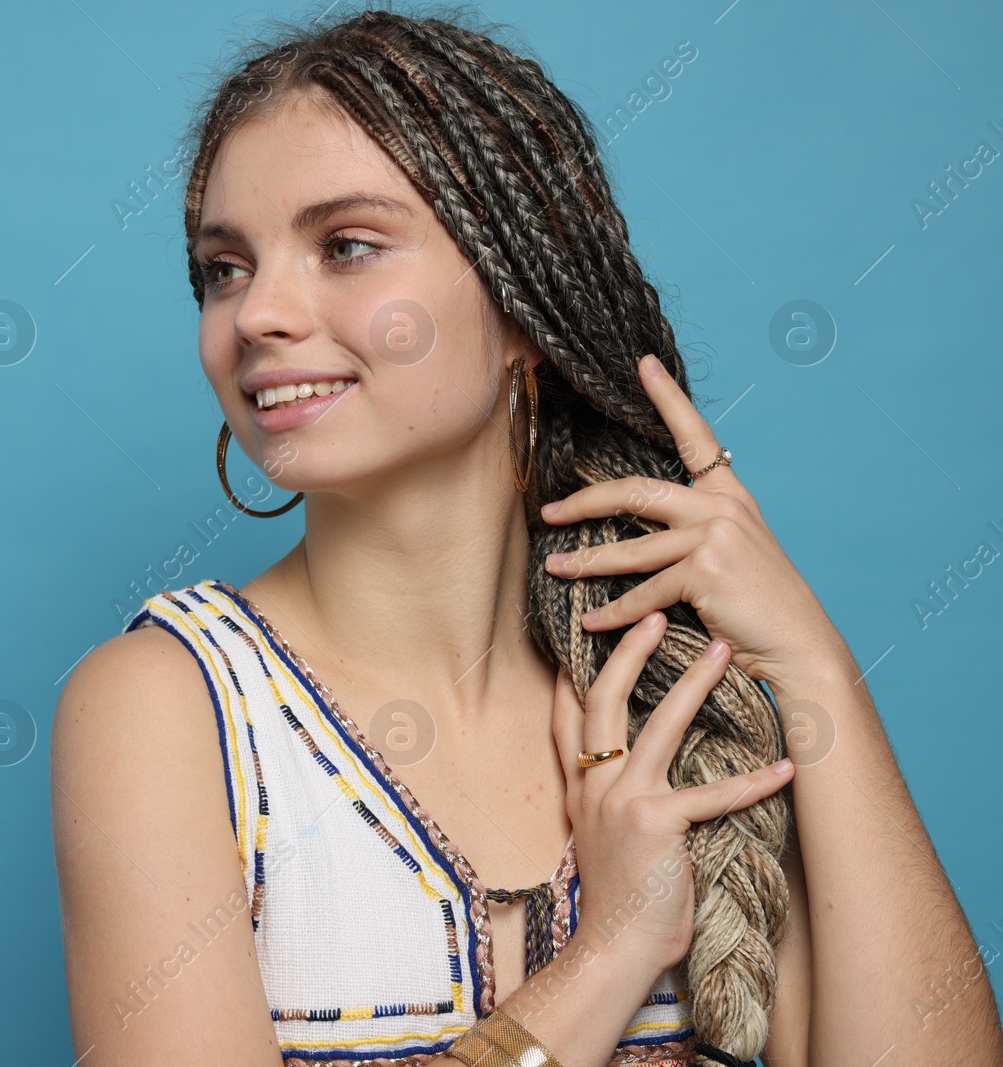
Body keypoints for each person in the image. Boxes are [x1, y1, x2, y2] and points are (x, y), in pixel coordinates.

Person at [49, 6, 1003, 1066]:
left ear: (520, 306)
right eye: (222, 268)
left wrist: (816, 670)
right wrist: (614, 948)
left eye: (345, 247)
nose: (257, 314)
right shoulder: (166, 706)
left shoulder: (671, 691)